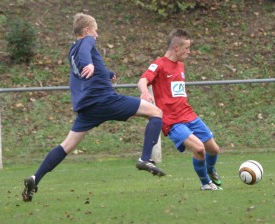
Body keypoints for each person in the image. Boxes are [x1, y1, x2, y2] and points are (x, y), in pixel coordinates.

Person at [22, 13, 166, 202]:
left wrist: (108, 73)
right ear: (88, 30)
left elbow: (87, 64)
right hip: (105, 100)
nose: (96, 35)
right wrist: (89, 63)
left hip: (88, 107)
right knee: (156, 113)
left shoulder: (71, 50)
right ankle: (145, 159)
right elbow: (87, 53)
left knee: (66, 146)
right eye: (96, 31)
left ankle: (35, 178)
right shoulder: (87, 41)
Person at [138, 29, 222, 190]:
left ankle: (211, 171)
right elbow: (143, 79)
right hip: (172, 121)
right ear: (176, 47)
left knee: (214, 149)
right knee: (199, 149)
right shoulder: (159, 64)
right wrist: (144, 91)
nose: (189, 52)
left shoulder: (181, 66)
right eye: (187, 48)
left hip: (189, 115)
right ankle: (206, 184)